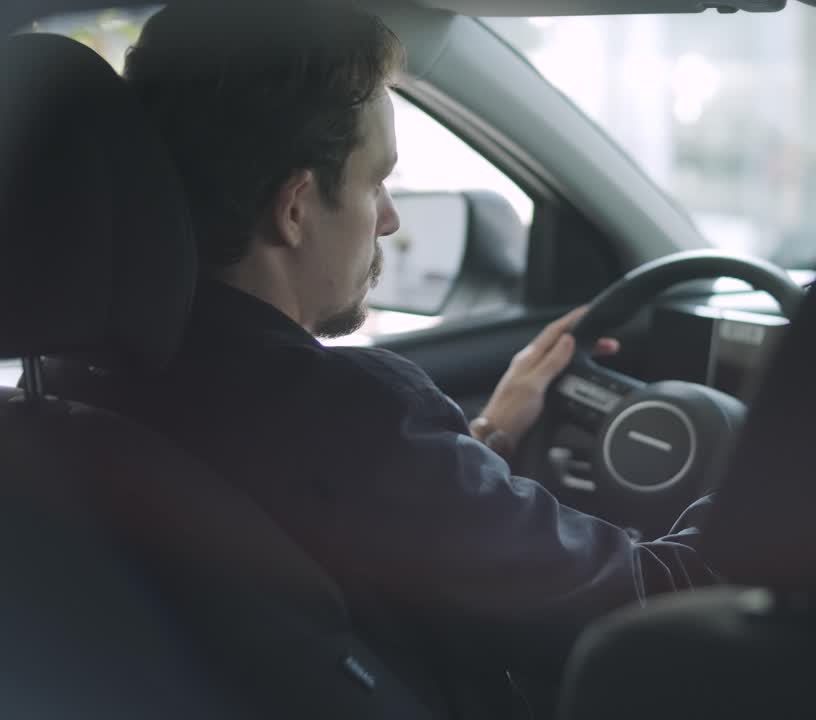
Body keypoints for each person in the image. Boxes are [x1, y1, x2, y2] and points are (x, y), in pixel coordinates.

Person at [44, 1, 715, 717]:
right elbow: (646, 605)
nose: (390, 218)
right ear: (295, 207)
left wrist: (483, 438)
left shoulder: (64, 392)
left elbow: (373, 521)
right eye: (376, 181)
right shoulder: (346, 422)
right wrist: (772, 491)